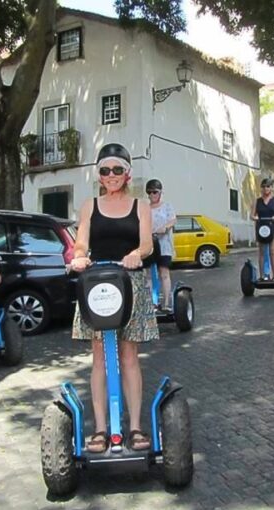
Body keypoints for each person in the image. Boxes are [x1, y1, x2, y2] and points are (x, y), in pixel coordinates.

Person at [70, 143, 158, 453]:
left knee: (129, 355)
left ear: (127, 173)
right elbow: (81, 245)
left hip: (129, 281)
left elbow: (146, 245)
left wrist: (135, 254)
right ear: (99, 174)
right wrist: (79, 258)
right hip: (97, 284)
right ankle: (101, 429)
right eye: (105, 170)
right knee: (99, 358)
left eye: (117, 170)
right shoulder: (89, 205)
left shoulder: (140, 206)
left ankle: (134, 427)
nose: (111, 175)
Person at [146, 178, 177, 312]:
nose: (152, 195)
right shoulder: (145, 208)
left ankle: (167, 302)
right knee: (148, 274)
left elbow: (173, 219)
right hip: (149, 244)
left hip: (163, 244)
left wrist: (165, 227)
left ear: (160, 192)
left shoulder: (167, 206)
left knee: (163, 272)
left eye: (155, 192)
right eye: (150, 192)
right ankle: (152, 303)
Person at [250, 177, 274, 280]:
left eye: (268, 187)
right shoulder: (258, 201)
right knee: (261, 251)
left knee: (272, 251)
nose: (265, 189)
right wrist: (255, 217)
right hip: (262, 229)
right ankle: (261, 276)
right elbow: (252, 215)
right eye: (263, 187)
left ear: (271, 188)